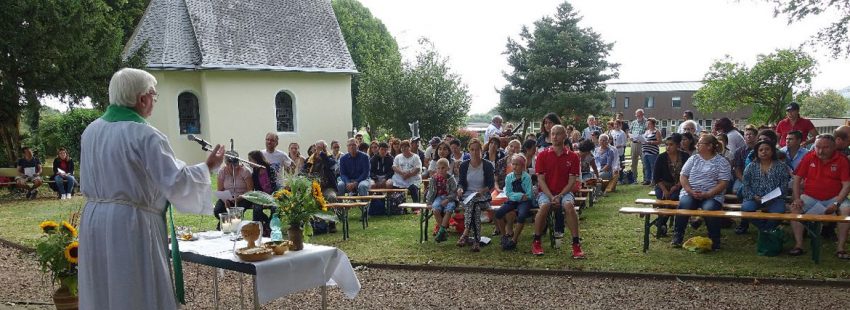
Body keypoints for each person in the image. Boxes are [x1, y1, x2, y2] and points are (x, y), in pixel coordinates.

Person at [79, 68, 225, 309]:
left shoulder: (91, 131)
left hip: (94, 220)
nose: (154, 102)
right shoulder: (145, 135)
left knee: (102, 285)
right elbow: (175, 180)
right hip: (130, 223)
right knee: (133, 286)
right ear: (142, 98)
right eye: (154, 96)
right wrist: (207, 166)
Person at [788, 134, 850, 258]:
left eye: (825, 147)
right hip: (810, 197)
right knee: (794, 208)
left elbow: (847, 185)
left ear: (833, 147)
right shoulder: (809, 157)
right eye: (817, 147)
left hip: (835, 197)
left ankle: (840, 248)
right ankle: (799, 245)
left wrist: (836, 203)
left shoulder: (842, 160)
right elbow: (797, 179)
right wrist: (797, 198)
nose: (820, 151)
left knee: (846, 209)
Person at [672, 134, 732, 250]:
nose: (697, 145)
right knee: (685, 205)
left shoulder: (722, 162)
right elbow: (683, 176)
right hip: (690, 193)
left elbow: (723, 183)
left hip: (712, 196)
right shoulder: (694, 159)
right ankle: (677, 236)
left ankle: (715, 240)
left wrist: (708, 194)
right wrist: (690, 191)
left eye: (699, 143)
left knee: (710, 209)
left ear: (709, 146)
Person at [533, 125, 585, 258]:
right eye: (553, 134)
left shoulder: (573, 157)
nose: (555, 136)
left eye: (558, 134)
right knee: (544, 206)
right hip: (546, 192)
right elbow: (541, 180)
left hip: (565, 192)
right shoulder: (542, 155)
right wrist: (551, 197)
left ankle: (576, 244)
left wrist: (560, 195)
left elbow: (572, 180)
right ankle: (537, 241)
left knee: (568, 206)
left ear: (565, 136)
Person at [738, 140, 791, 235]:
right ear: (757, 152)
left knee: (779, 211)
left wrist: (771, 197)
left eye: (767, 149)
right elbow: (745, 186)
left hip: (775, 199)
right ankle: (766, 229)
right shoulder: (751, 167)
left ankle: (766, 230)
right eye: (761, 150)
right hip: (755, 198)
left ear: (772, 151)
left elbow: (784, 186)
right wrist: (754, 196)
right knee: (746, 209)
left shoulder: (781, 166)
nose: (764, 152)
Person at [456, 138, 495, 252]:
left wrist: (482, 191)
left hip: (483, 196)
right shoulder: (464, 165)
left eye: (477, 150)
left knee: (474, 202)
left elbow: (491, 185)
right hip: (468, 196)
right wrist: (460, 189)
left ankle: (466, 233)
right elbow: (461, 183)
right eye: (472, 150)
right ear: (469, 151)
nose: (474, 152)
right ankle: (477, 241)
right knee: (475, 207)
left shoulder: (487, 165)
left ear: (481, 151)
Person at [652, 134, 690, 237]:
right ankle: (662, 223)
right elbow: (656, 177)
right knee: (662, 199)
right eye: (666, 145)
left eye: (671, 145)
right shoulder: (661, 157)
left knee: (674, 199)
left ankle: (661, 222)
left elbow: (688, 175)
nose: (668, 147)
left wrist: (677, 186)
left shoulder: (685, 156)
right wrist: (664, 190)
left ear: (677, 145)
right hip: (662, 185)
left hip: (680, 185)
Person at [494, 154, 534, 250]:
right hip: (513, 200)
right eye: (513, 164)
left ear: (522, 166)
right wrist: (520, 196)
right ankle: (504, 236)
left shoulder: (527, 177)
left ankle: (514, 239)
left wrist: (516, 196)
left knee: (522, 215)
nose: (515, 166)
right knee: (499, 213)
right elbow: (508, 193)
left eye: (517, 164)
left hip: (525, 202)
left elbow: (529, 195)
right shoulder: (509, 177)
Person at [213, 151, 254, 230]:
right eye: (230, 165)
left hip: (243, 197)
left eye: (235, 165)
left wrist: (238, 198)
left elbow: (250, 190)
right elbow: (220, 189)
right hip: (227, 197)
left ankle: (225, 227)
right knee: (218, 211)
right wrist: (225, 200)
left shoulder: (245, 171)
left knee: (235, 211)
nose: (234, 167)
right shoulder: (222, 172)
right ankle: (228, 226)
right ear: (226, 164)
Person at [425, 158, 458, 243]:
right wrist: (429, 202)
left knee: (449, 209)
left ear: (448, 168)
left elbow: (454, 193)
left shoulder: (451, 179)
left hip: (449, 197)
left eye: (443, 168)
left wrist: (447, 199)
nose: (440, 170)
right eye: (438, 168)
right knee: (435, 209)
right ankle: (443, 231)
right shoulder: (434, 179)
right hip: (438, 197)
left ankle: (441, 232)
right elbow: (431, 191)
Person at [248, 150, 278, 236]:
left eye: (250, 160)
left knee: (274, 208)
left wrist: (269, 198)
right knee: (257, 209)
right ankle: (260, 227)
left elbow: (274, 185)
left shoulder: (269, 169)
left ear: (257, 160)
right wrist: (263, 200)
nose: (249, 162)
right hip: (261, 196)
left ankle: (270, 227)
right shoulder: (254, 172)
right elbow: (256, 189)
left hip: (272, 195)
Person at [641, 118, 662, 185]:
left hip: (652, 153)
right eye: (647, 123)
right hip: (645, 152)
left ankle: (654, 180)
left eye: (649, 123)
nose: (647, 125)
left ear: (653, 124)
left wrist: (650, 142)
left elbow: (659, 141)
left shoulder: (657, 132)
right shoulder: (646, 131)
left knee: (653, 167)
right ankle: (648, 180)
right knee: (647, 167)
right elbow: (643, 139)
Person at [630, 109, 648, 177]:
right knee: (633, 162)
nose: (638, 116)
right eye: (637, 115)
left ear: (643, 114)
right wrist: (630, 136)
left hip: (642, 144)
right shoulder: (633, 122)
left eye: (639, 115)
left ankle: (646, 178)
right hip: (634, 143)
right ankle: (634, 178)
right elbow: (630, 131)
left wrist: (642, 138)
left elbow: (647, 132)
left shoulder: (647, 122)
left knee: (644, 162)